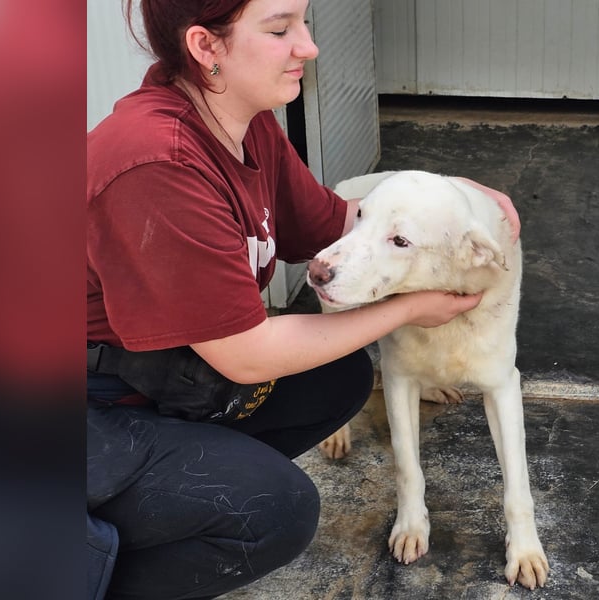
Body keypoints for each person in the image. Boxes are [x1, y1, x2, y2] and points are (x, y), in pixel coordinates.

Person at [86, 1, 520, 598]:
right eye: (280, 29)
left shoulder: (244, 121)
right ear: (206, 47)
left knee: (337, 376)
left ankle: (175, 496)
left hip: (164, 378)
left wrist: (456, 200)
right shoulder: (158, 162)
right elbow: (247, 356)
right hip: (70, 414)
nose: (308, 47)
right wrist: (409, 308)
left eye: (304, 23)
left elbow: (337, 222)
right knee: (272, 510)